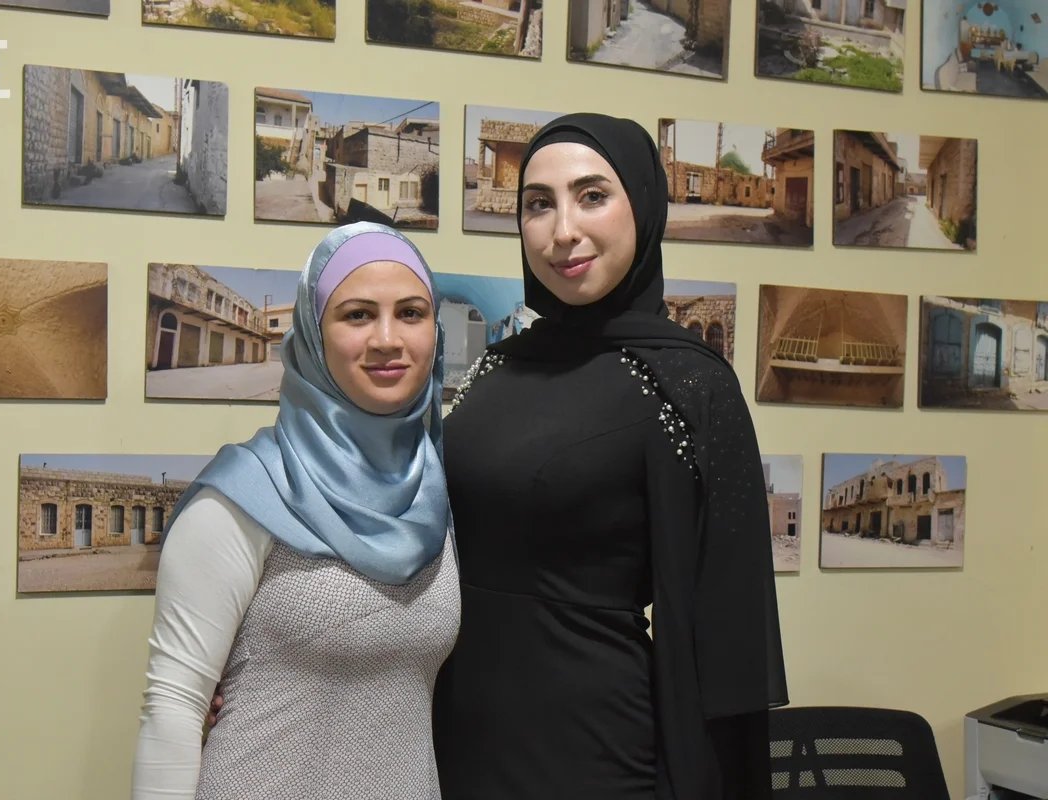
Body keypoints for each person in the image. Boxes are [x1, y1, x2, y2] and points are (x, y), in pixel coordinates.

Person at [431, 113, 788, 800]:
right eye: (539, 204)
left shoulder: (689, 384)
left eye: (592, 196)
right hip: (457, 739)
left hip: (591, 756)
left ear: (643, 206)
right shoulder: (498, 368)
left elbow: (726, 632)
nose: (562, 230)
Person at [131, 222, 460, 799]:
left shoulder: (434, 494)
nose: (388, 339)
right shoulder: (243, 494)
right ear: (312, 333)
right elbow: (173, 710)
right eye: (357, 315)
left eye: (411, 313)